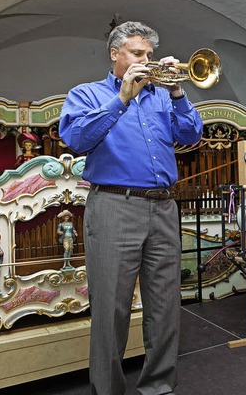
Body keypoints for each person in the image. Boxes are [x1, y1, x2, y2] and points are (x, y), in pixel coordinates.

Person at [59, 21, 203, 394]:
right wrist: (121, 99)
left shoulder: (161, 96)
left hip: (164, 208)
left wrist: (177, 93)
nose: (146, 60)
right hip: (113, 207)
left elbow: (191, 135)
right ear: (115, 54)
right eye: (138, 53)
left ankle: (158, 387)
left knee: (165, 307)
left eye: (149, 55)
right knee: (111, 311)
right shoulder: (86, 94)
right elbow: (76, 139)